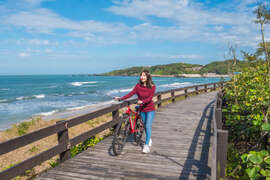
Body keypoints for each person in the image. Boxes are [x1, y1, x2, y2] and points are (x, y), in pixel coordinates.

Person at [114, 70, 156, 153]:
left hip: (150, 109)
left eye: (144, 75)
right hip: (142, 109)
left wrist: (143, 101)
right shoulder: (138, 86)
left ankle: (146, 146)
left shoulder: (152, 86)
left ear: (148, 77)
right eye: (141, 75)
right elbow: (131, 94)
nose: (142, 77)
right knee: (144, 125)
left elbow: (150, 98)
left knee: (147, 125)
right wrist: (120, 98)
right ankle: (149, 137)